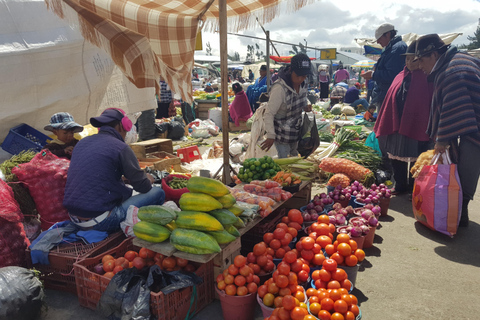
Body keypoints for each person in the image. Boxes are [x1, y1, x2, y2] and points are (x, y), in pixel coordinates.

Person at [63, 108, 165, 233]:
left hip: (74, 218)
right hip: (101, 221)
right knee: (158, 192)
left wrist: (123, 178)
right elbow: (143, 187)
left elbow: (96, 175)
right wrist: (148, 178)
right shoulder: (120, 147)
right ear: (122, 126)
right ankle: (150, 232)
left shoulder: (81, 143)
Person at [415, 33, 480, 227]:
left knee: (468, 164)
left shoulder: (451, 71)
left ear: (434, 55)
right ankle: (458, 209)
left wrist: (442, 139)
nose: (419, 66)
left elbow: (454, 108)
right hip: (474, 123)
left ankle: (459, 211)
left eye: (421, 60)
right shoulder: (458, 60)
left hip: (475, 129)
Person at [374, 40, 434, 197]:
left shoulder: (426, 78)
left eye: (413, 59)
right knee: (395, 154)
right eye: (407, 59)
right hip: (397, 123)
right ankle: (400, 185)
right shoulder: (400, 75)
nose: (409, 62)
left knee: (417, 157)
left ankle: (414, 188)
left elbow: (427, 103)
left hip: (418, 125)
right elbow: (390, 99)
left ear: (420, 60)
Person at [261, 53, 312, 158]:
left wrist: (307, 104)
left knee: (294, 159)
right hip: (281, 135)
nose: (301, 79)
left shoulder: (303, 83)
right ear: (291, 71)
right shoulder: (279, 88)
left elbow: (302, 97)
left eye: (304, 76)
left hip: (295, 132)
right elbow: (269, 113)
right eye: (298, 75)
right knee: (284, 162)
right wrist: (271, 135)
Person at [361, 23, 407, 111]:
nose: (378, 42)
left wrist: (373, 75)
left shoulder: (397, 49)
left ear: (388, 34)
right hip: (386, 94)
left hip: (390, 96)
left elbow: (393, 75)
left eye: (379, 38)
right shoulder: (391, 48)